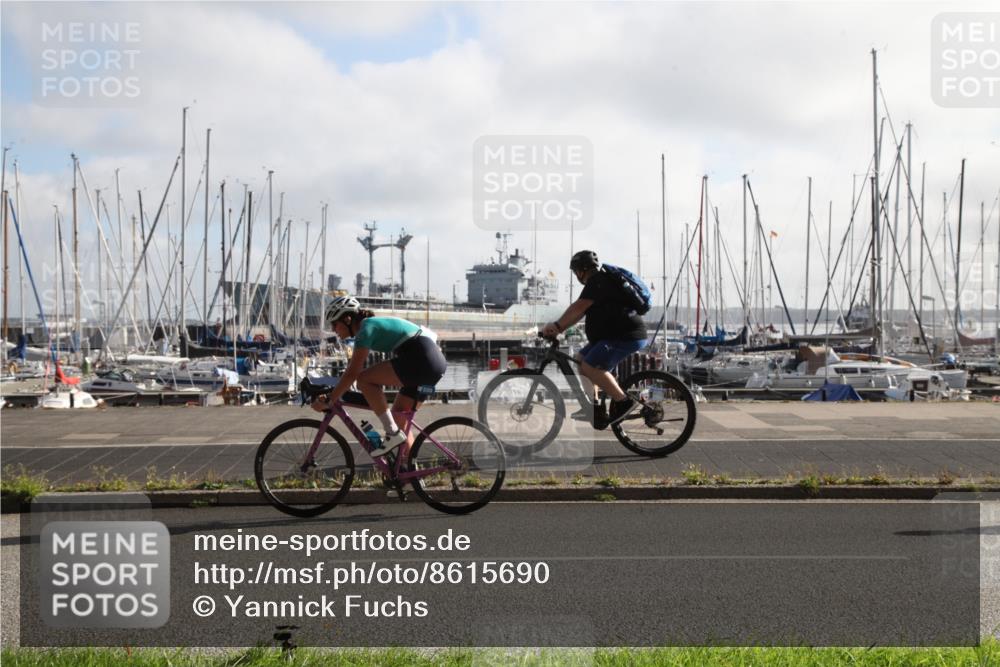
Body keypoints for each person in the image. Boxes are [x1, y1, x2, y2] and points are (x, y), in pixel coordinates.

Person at [311, 296, 447, 456]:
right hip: (433, 361)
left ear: (347, 319)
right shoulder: (369, 326)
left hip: (420, 358)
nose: (333, 329)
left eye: (334, 324)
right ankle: (409, 472)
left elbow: (352, 373)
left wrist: (331, 399)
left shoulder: (366, 328)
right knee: (399, 419)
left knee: (363, 379)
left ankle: (392, 433)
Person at [541, 250, 647, 428]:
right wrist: (559, 328)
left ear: (581, 270)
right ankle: (595, 407)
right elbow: (579, 313)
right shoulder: (598, 282)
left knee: (590, 366)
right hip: (613, 336)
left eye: (575, 272)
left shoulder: (598, 282)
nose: (576, 276)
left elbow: (578, 308)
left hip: (625, 336)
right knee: (581, 359)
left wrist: (557, 327)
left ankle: (623, 402)